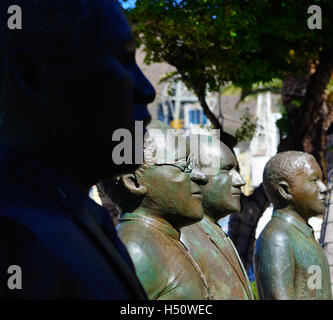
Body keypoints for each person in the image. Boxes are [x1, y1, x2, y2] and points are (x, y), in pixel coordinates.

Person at [0, 0, 155, 299]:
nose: (146, 89)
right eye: (123, 59)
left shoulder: (82, 215)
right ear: (30, 76)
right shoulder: (15, 234)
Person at [99, 121, 212, 299]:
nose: (201, 176)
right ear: (134, 183)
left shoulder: (161, 239)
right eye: (184, 166)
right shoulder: (136, 251)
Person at [180, 135, 254, 299]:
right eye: (227, 170)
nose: (240, 181)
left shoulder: (215, 232)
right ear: (196, 175)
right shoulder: (184, 240)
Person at [254, 151, 332, 300]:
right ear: (285, 190)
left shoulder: (302, 233)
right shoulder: (277, 238)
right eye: (314, 180)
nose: (323, 188)